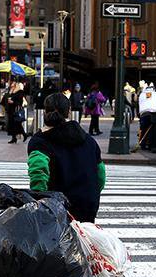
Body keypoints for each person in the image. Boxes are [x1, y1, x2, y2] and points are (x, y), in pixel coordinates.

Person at [27, 93, 106, 223]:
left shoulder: (40, 141)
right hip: (88, 206)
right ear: (69, 112)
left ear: (44, 112)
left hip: (56, 209)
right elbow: (101, 174)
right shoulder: (89, 140)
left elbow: (38, 173)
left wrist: (40, 201)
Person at [137, 86, 156, 150]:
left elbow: (139, 104)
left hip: (143, 113)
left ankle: (142, 144)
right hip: (153, 113)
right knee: (152, 129)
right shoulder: (155, 94)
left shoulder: (142, 94)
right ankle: (150, 144)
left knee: (143, 128)